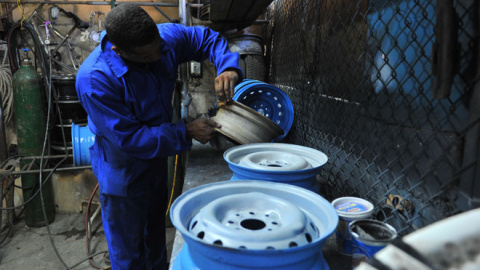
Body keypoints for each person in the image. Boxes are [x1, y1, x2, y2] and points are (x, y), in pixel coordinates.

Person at [75, 3, 241, 269]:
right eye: (146, 57)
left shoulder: (164, 40)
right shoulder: (95, 80)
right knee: (129, 254)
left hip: (155, 164)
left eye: (159, 51)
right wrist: (184, 130)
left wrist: (228, 66)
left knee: (155, 239)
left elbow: (208, 38)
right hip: (122, 173)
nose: (157, 58)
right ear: (119, 50)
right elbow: (130, 139)